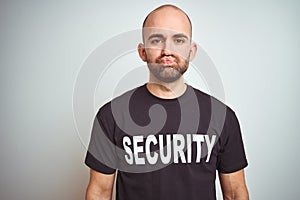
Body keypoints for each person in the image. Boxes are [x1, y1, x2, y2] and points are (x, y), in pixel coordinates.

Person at [85, 4, 249, 200]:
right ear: (143, 52)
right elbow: (100, 193)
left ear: (191, 50)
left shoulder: (222, 117)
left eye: (178, 40)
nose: (167, 50)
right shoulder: (111, 115)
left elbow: (234, 193)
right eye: (156, 40)